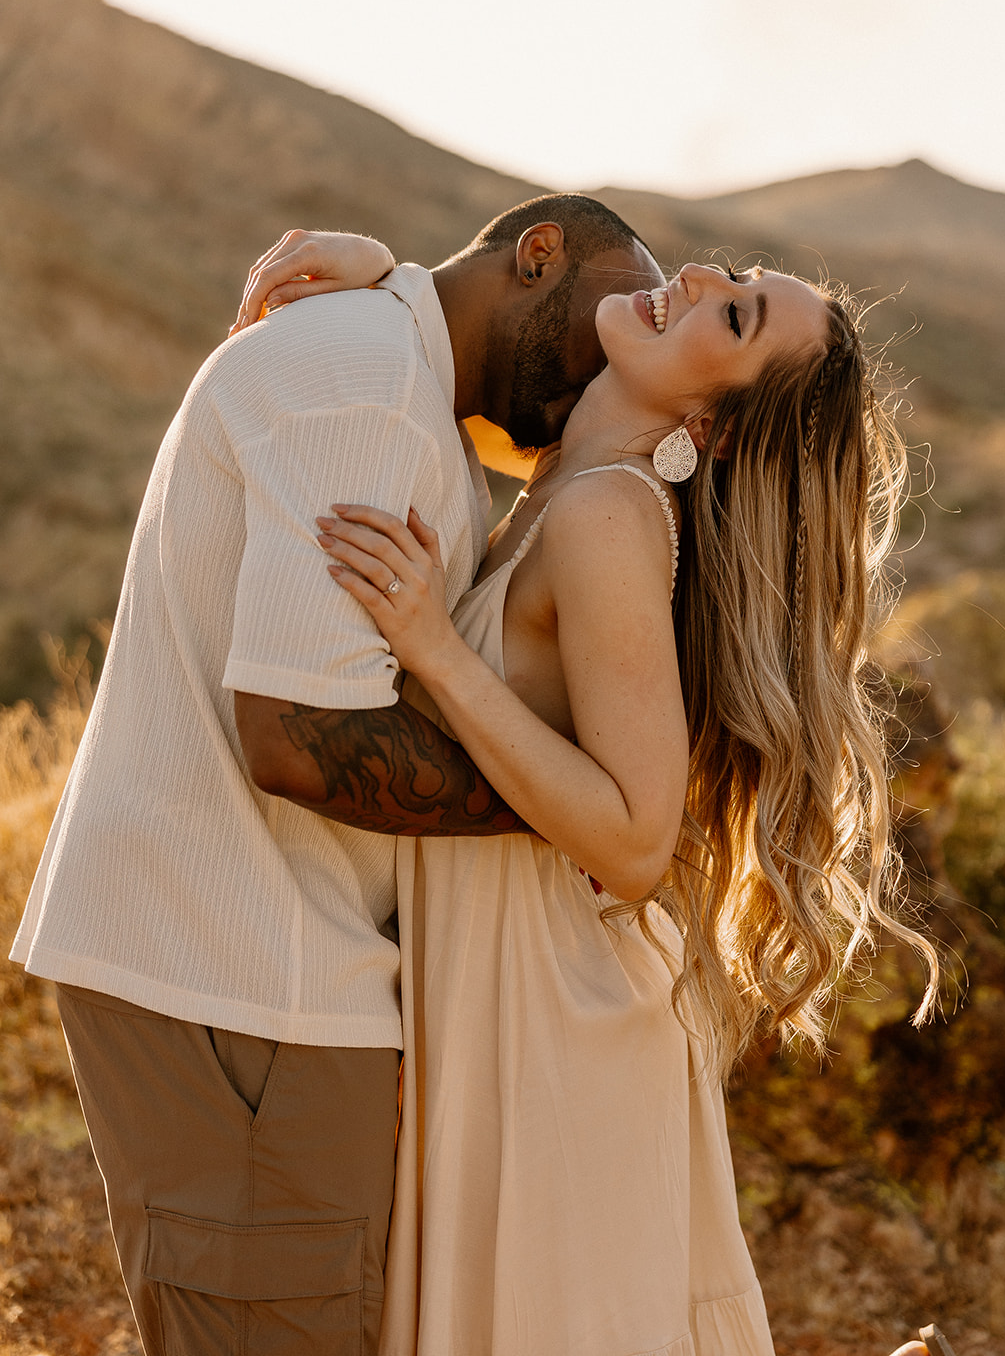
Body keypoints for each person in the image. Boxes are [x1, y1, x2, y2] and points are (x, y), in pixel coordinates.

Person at [240, 249, 940, 1354]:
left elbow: (633, 837)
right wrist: (395, 283)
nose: (700, 273)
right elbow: (472, 351)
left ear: (709, 427)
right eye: (735, 275)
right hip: (509, 990)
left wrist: (435, 647)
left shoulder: (609, 514)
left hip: (554, 1012)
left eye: (736, 313)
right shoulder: (564, 477)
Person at [10, 195, 663, 1356]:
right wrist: (583, 816)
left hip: (254, 961)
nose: (595, 369)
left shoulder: (395, 379)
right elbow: (297, 736)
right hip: (241, 968)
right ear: (537, 254)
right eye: (596, 329)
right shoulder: (372, 385)